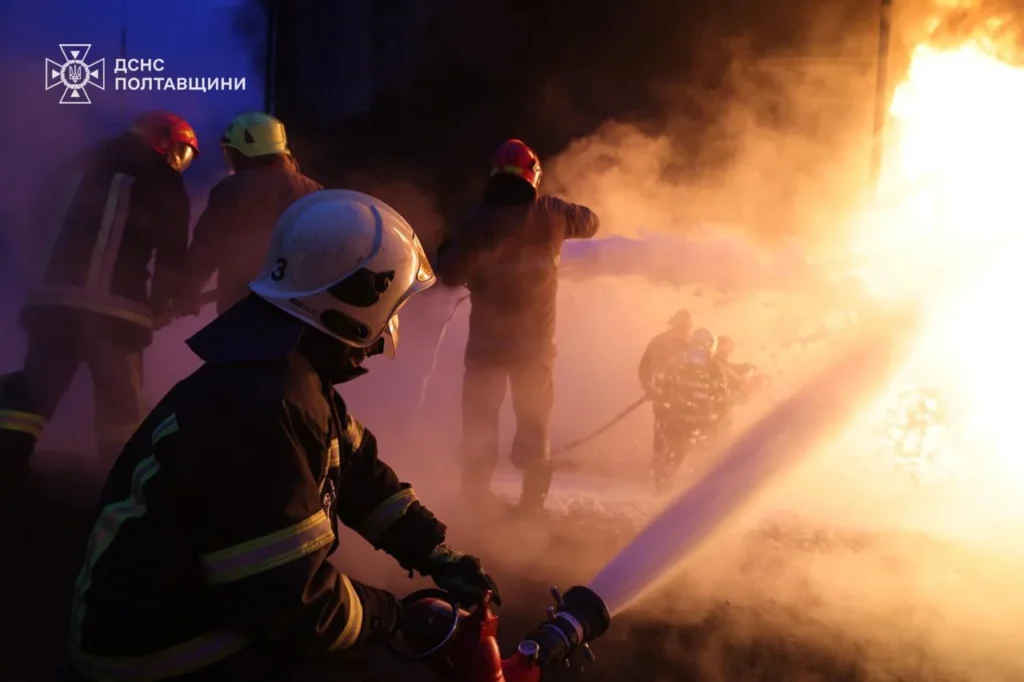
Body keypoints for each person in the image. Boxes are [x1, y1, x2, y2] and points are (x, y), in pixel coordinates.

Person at [67, 190, 501, 682]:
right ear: (353, 301)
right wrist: (394, 617)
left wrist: (434, 552)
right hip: (157, 653)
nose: (385, 335)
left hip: (183, 617)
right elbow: (294, 604)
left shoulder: (290, 374)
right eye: (387, 311)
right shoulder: (262, 406)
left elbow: (359, 474)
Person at [0, 110, 197, 495]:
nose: (179, 161)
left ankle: (6, 466)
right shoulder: (160, 178)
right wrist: (171, 300)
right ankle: (121, 483)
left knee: (36, 388)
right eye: (180, 151)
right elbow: (172, 251)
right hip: (116, 311)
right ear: (161, 140)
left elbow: (37, 224)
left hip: (52, 304)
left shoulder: (77, 164)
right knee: (120, 403)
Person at [435, 139, 600, 516]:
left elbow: (450, 274)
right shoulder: (553, 212)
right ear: (534, 175)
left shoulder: (478, 222)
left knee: (479, 425)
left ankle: (474, 501)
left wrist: (449, 250)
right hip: (534, 350)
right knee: (534, 426)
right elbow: (592, 222)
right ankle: (532, 507)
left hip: (486, 350)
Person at [177, 112, 322, 317]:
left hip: (241, 305)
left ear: (246, 151)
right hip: (300, 306)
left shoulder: (231, 189)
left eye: (231, 152)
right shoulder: (313, 190)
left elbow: (207, 248)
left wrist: (187, 293)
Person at [644, 327, 730, 492]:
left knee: (675, 454)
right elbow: (721, 397)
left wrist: (660, 403)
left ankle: (665, 485)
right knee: (687, 454)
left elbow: (665, 391)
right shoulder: (714, 368)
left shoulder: (678, 363)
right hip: (696, 422)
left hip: (681, 419)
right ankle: (672, 486)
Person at [637, 308, 694, 398]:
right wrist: (649, 388)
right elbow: (644, 368)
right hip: (664, 399)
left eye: (685, 326)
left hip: (687, 399)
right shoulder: (659, 342)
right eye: (680, 325)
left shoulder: (695, 345)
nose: (682, 330)